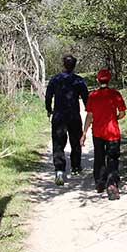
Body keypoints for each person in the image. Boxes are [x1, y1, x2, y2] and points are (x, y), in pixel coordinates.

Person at [80, 68, 127, 200]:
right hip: (113, 132)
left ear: (97, 80)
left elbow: (89, 116)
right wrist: (115, 118)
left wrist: (84, 133)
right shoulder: (116, 94)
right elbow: (123, 113)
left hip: (98, 133)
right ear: (109, 79)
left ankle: (100, 182)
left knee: (99, 157)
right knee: (112, 159)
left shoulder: (93, 96)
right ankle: (112, 184)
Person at [45, 55, 89, 186]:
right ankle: (75, 167)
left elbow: (48, 96)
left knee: (58, 143)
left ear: (63, 65)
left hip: (59, 116)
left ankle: (59, 171)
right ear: (74, 66)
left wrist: (49, 109)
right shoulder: (79, 81)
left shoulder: (55, 79)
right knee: (75, 141)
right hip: (74, 116)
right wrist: (90, 111)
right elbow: (86, 98)